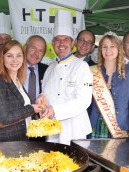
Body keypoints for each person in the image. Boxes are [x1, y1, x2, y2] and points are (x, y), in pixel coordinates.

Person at [37, 10, 93, 145]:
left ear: (72, 43)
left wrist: (56, 110)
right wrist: (41, 97)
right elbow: (47, 91)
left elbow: (84, 100)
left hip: (75, 130)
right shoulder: (49, 68)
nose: (61, 43)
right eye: (57, 39)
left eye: (66, 39)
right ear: (53, 42)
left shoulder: (82, 67)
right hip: (52, 129)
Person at [0, 40, 42, 142]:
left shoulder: (18, 81)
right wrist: (31, 109)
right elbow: (2, 120)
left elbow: (19, 109)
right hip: (5, 143)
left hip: (20, 140)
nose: (15, 60)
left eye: (19, 55)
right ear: (2, 58)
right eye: (9, 56)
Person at [89, 31, 129, 138]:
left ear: (119, 49)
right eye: (104, 47)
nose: (108, 50)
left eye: (112, 46)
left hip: (120, 127)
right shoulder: (91, 72)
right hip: (94, 125)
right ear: (100, 50)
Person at [23, 35, 48, 104]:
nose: (36, 53)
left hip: (41, 114)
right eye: (33, 48)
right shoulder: (14, 69)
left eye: (40, 51)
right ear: (25, 48)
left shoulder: (47, 70)